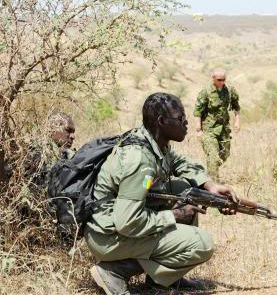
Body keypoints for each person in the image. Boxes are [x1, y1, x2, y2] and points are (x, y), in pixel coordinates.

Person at [84, 92, 239, 295]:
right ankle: (115, 271)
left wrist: (209, 185)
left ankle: (165, 278)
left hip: (115, 227)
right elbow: (127, 222)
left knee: (184, 191)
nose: (186, 123)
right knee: (203, 244)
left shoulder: (153, 142)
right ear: (162, 121)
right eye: (181, 118)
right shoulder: (139, 160)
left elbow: (179, 162)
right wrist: (173, 216)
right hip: (108, 237)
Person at [193, 69, 241, 181]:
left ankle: (209, 172)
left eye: (224, 80)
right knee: (213, 156)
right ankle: (214, 183)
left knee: (225, 154)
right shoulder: (206, 91)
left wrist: (237, 121)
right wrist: (198, 130)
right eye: (219, 80)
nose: (222, 82)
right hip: (209, 129)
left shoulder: (230, 90)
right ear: (213, 79)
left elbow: (236, 106)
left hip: (224, 129)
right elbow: (197, 111)